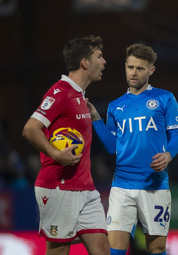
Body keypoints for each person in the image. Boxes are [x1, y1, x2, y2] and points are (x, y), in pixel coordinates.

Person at [87, 43, 178, 255]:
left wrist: (168, 155)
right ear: (125, 66)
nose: (134, 72)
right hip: (122, 185)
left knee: (156, 248)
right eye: (130, 67)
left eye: (140, 68)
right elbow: (112, 147)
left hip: (155, 185)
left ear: (151, 70)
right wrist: (96, 118)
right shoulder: (115, 106)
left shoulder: (165, 98)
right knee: (115, 249)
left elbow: (176, 136)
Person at [22, 35, 110, 255]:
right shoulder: (60, 92)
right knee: (58, 252)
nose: (104, 61)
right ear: (84, 63)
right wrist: (56, 154)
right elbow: (30, 129)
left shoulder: (79, 96)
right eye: (99, 56)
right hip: (59, 187)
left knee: (102, 249)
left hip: (86, 188)